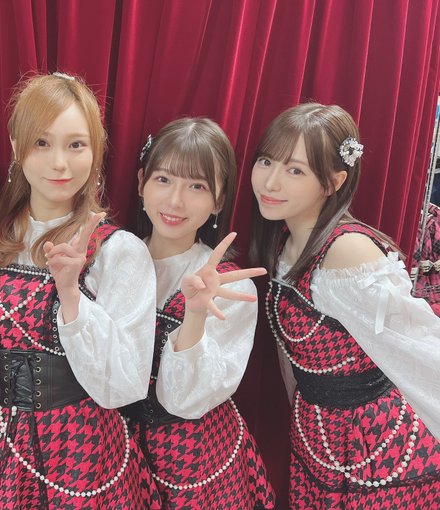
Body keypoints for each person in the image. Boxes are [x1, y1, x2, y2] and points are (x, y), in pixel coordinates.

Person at [0, 72, 161, 509]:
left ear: (96, 151)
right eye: (42, 143)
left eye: (76, 145)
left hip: (81, 446)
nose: (60, 163)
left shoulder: (119, 250)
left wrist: (70, 294)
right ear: (16, 146)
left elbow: (126, 384)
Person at [249, 103, 440, 508]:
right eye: (266, 161)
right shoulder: (286, 243)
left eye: (295, 170)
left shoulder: (347, 252)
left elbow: (420, 347)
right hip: (319, 432)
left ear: (333, 181)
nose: (271, 181)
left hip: (375, 439)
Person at [123, 117, 276, 509]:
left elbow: (188, 400)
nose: (175, 201)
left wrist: (193, 314)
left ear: (219, 201)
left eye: (197, 186)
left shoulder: (231, 286)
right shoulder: (107, 261)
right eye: (163, 179)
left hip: (195, 461)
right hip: (111, 451)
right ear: (141, 183)